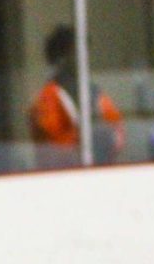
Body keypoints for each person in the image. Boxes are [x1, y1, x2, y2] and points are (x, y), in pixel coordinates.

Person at [28, 24, 124, 166]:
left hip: (97, 170)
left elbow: (117, 131)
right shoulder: (49, 96)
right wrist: (84, 139)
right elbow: (52, 145)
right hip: (61, 177)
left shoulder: (94, 93)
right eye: (76, 51)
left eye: (85, 50)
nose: (83, 57)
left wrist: (104, 138)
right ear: (61, 57)